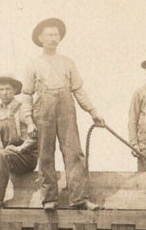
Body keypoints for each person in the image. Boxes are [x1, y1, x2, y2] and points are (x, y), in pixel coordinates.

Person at [23, 18, 104, 210]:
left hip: (66, 109)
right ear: (40, 38)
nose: (53, 38)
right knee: (45, 154)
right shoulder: (33, 64)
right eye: (49, 35)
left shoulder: (67, 62)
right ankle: (49, 198)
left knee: (73, 152)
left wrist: (93, 112)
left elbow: (78, 90)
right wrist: (29, 122)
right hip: (43, 110)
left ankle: (80, 198)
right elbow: (26, 94)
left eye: (56, 35)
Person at [0, 74, 39, 210]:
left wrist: (20, 149)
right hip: (10, 156)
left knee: (0, 154)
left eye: (8, 89)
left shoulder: (23, 109)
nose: (5, 93)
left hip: (27, 156)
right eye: (1, 89)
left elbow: (35, 137)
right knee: (0, 154)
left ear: (15, 91)